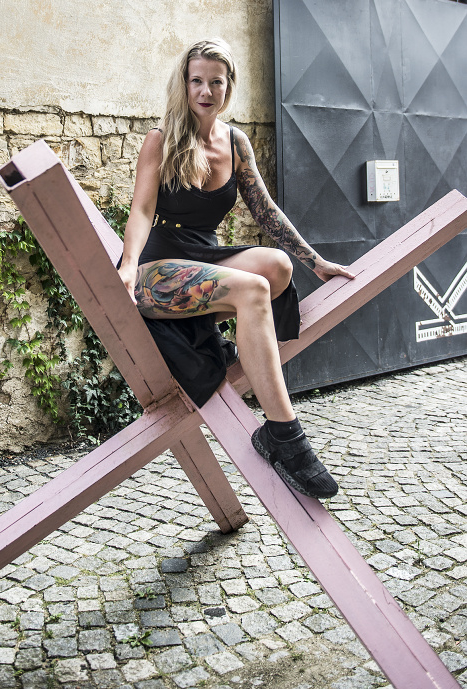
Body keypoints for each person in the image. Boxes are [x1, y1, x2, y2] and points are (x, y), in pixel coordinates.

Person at [118, 38, 354, 499]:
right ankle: (284, 435)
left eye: (216, 82)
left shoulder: (236, 142)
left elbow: (265, 212)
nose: (206, 91)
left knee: (278, 266)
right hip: (158, 269)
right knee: (252, 289)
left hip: (204, 257)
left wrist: (316, 261)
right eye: (197, 81)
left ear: (229, 87)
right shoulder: (161, 141)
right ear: (184, 84)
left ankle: (235, 342)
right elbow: (142, 212)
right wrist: (128, 266)